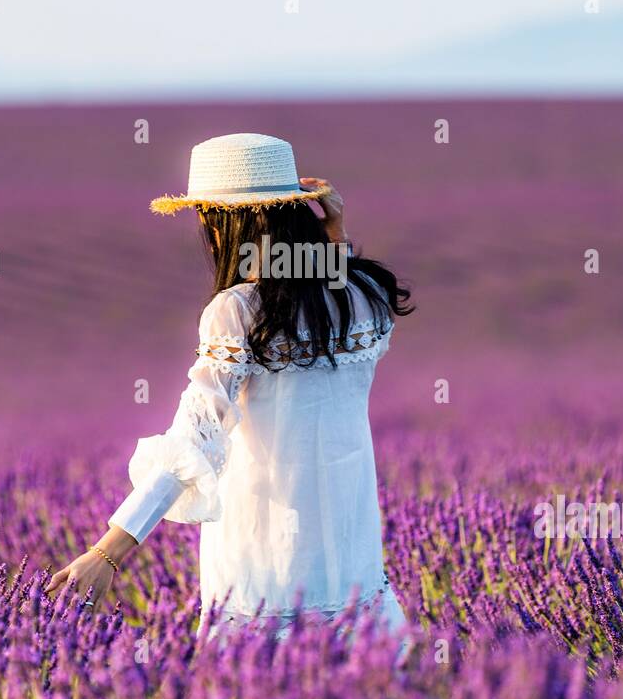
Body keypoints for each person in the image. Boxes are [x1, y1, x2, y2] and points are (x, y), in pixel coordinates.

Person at [47, 133, 413, 638]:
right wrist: (334, 236)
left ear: (233, 223)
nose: (203, 229)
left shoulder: (238, 311)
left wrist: (107, 552)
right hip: (351, 556)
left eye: (207, 216)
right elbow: (326, 282)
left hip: (264, 561)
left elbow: (193, 440)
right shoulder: (364, 296)